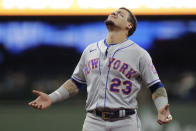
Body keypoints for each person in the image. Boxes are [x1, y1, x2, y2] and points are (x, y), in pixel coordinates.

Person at [29, 7, 172, 131]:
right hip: (93, 121)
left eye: (120, 14)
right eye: (114, 12)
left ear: (129, 26)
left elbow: (155, 85)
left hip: (125, 122)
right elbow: (76, 82)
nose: (114, 13)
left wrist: (162, 107)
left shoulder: (139, 54)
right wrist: (51, 98)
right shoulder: (90, 50)